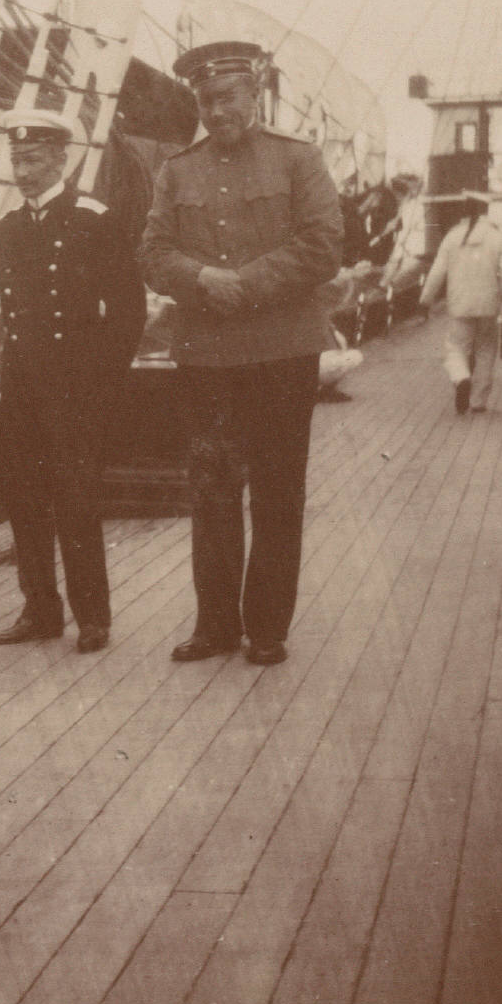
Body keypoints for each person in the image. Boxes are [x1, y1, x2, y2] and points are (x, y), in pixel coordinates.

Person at [140, 40, 342, 667]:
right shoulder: (178, 170)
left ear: (254, 94)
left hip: (282, 354)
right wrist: (201, 278)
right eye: (207, 101)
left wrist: (243, 283)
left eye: (229, 97)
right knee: (213, 491)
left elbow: (323, 245)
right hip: (207, 359)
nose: (218, 110)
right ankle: (216, 626)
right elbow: (152, 254)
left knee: (278, 491)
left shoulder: (298, 159)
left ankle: (267, 627)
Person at [0, 111, 147, 654]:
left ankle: (92, 617)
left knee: (77, 500)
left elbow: (127, 311)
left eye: (33, 160)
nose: (22, 172)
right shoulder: (8, 228)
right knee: (24, 500)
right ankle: (40, 610)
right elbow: (12, 314)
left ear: (61, 159)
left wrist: (100, 383)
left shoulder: (92, 218)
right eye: (16, 160)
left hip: (76, 388)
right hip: (22, 388)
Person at [419, 188, 502, 414]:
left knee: (456, 348)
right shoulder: (496, 237)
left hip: (460, 305)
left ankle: (461, 378)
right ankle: (478, 401)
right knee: (486, 350)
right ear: (485, 209)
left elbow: (437, 271)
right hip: (488, 306)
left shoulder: (452, 237)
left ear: (464, 210)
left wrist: (425, 300)